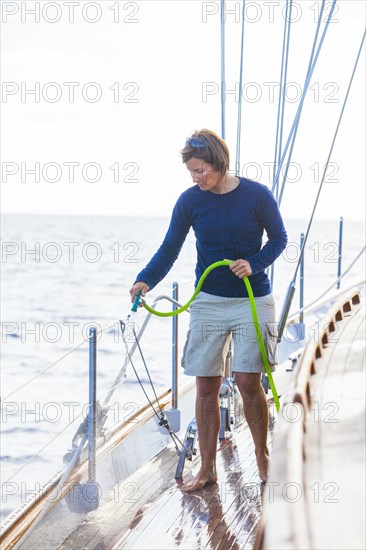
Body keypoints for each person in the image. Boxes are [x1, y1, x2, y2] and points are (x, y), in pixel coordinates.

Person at [129, 129, 287, 492]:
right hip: (209, 302)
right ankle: (208, 470)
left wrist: (255, 263)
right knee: (205, 387)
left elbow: (279, 239)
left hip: (252, 299)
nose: (196, 179)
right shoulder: (190, 201)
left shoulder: (257, 195)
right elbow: (170, 247)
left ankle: (264, 462)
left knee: (249, 382)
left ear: (219, 164)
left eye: (201, 171)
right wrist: (144, 280)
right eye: (191, 173)